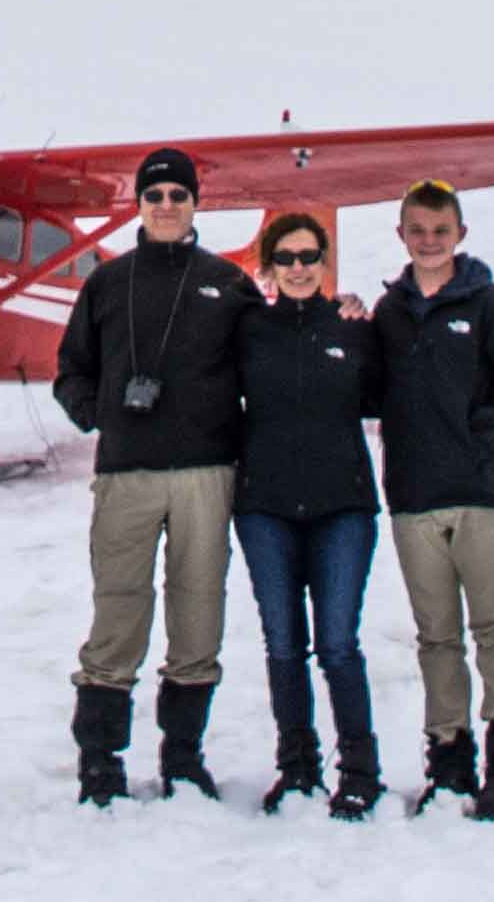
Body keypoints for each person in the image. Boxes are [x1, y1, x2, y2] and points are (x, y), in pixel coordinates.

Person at [52, 149, 260, 803]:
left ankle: (184, 757)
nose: (166, 205)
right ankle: (100, 760)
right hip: (127, 475)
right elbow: (71, 369)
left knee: (199, 612)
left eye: (178, 195)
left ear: (195, 203)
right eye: (154, 195)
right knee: (119, 612)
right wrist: (99, 415)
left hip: (206, 474)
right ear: (138, 205)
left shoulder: (228, 284)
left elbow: (268, 366)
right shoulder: (106, 284)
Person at [365, 178, 494, 817]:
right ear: (401, 235)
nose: (429, 241)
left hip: (483, 496)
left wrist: (474, 439)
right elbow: (369, 390)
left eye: (440, 231)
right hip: (415, 498)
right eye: (418, 231)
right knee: (436, 637)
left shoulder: (490, 306)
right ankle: (449, 759)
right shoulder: (390, 313)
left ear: (459, 235)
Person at [233, 218, 386, 814]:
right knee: (282, 644)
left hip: (341, 505)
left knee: (338, 642)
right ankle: (297, 767)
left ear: (324, 263)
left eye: (309, 257)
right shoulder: (249, 330)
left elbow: (391, 394)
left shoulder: (353, 328)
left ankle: (360, 770)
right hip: (266, 507)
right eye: (286, 258)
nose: (298, 268)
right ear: (269, 268)